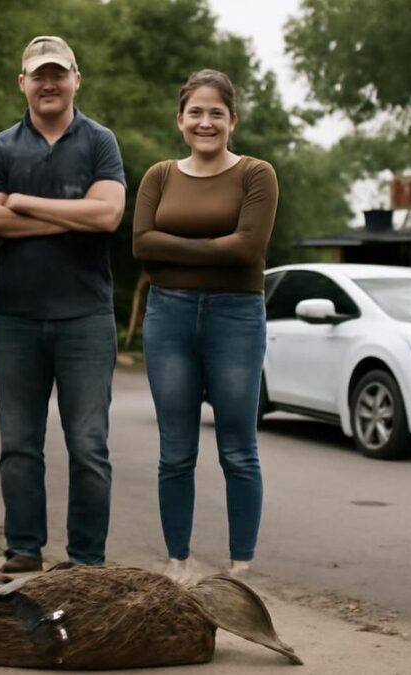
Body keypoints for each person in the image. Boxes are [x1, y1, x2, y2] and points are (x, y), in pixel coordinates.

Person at [0, 36, 126, 574]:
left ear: (76, 79)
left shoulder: (100, 142)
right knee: (19, 443)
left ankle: (86, 560)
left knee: (88, 445)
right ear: (23, 83)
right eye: (38, 75)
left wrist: (26, 204)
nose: (49, 83)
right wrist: (74, 212)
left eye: (58, 73)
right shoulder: (1, 149)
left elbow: (108, 217)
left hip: (86, 317)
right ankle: (23, 550)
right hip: (16, 317)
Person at [132, 69, 278, 583]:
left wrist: (178, 250)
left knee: (238, 448)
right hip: (167, 316)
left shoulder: (257, 175)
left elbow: (248, 249)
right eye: (196, 111)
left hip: (236, 317)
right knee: (175, 452)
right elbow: (140, 245)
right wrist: (214, 250)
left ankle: (240, 569)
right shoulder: (159, 176)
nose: (206, 122)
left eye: (216, 112)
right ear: (180, 119)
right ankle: (179, 563)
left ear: (232, 121)